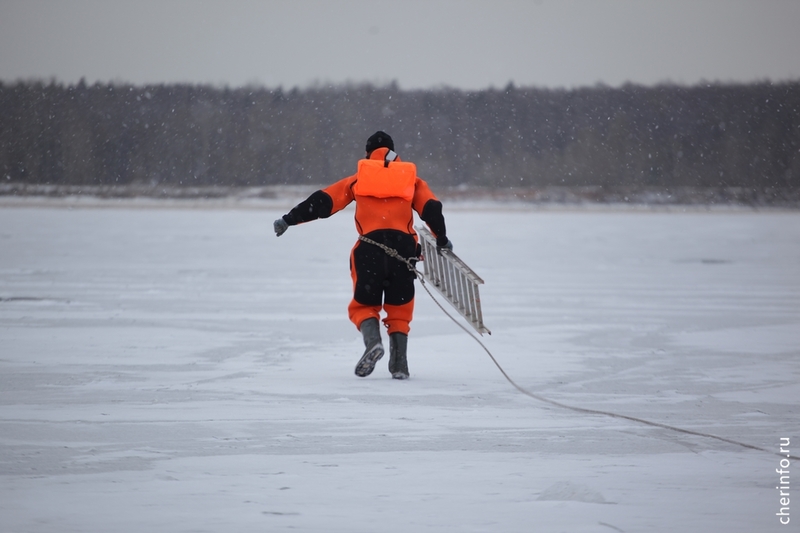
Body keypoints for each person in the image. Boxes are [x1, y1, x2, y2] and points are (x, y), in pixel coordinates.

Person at [273, 131, 451, 379]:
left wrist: (289, 219)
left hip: (369, 248)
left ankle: (372, 343)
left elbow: (323, 201)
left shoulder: (359, 179)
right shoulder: (411, 180)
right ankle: (399, 364)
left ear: (368, 154)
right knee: (400, 309)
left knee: (364, 305)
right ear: (394, 152)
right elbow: (431, 208)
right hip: (404, 251)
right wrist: (441, 237)